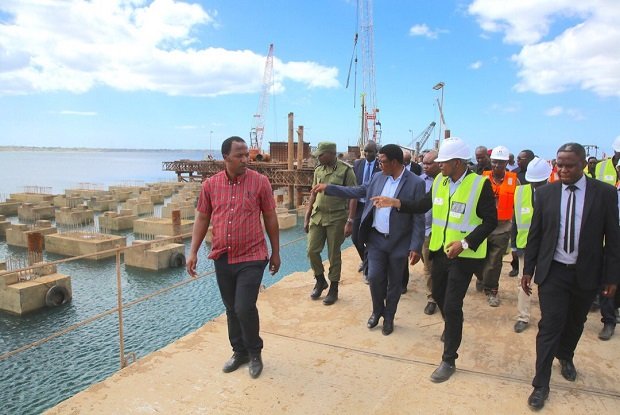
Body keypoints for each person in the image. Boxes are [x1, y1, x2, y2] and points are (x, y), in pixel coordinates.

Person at [371, 137, 497, 383]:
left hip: (464, 256)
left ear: (457, 162)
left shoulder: (479, 184)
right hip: (439, 251)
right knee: (438, 295)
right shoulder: (440, 181)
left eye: (443, 162)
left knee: (452, 304)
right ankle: (452, 324)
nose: (439, 166)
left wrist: (465, 243)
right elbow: (422, 205)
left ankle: (448, 359)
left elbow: (490, 221)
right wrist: (396, 202)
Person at [523, 142, 620, 410]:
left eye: (570, 165)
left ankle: (565, 355)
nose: (563, 170)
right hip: (553, 271)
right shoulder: (545, 194)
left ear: (583, 165)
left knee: (576, 322)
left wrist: (612, 277)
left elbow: (613, 239)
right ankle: (540, 384)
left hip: (586, 272)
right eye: (559, 165)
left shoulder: (604, 193)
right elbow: (535, 234)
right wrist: (528, 269)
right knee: (550, 325)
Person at [186, 136, 281, 379]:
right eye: (239, 155)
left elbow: (270, 217)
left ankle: (255, 352)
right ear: (225, 157)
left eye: (246, 154)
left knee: (244, 306)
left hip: (252, 255)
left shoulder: (260, 182)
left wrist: (276, 252)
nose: (245, 159)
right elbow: (202, 218)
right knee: (231, 308)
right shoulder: (210, 185)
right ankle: (239, 352)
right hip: (223, 256)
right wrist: (193, 251)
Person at [313, 144, 425, 335]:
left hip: (399, 242)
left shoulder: (415, 183)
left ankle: (389, 317)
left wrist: (416, 246)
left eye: (383, 161)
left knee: (395, 283)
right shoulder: (377, 177)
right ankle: (377, 311)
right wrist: (329, 188)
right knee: (374, 277)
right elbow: (357, 191)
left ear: (394, 162)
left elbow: (418, 216)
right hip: (376, 239)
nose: (379, 165)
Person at [305, 142, 357, 305]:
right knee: (312, 250)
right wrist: (307, 216)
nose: (318, 158)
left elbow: (353, 196)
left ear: (330, 153)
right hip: (318, 216)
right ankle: (320, 280)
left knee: (333, 254)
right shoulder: (318, 170)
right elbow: (313, 194)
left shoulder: (346, 170)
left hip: (337, 217)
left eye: (321, 155)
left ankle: (333, 288)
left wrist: (350, 221)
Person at [512, 157, 551, 333]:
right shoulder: (520, 192)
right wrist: (514, 245)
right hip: (525, 246)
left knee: (547, 284)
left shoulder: (555, 194)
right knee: (523, 283)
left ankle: (548, 318)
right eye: (533, 182)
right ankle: (523, 317)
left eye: (539, 182)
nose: (536, 186)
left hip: (548, 248)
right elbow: (515, 220)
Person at [477, 145, 518, 306]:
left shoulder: (515, 182)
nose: (496, 165)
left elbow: (518, 205)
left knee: (495, 262)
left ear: (506, 163)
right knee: (479, 260)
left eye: (500, 162)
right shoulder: (482, 179)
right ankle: (482, 278)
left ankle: (492, 290)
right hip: (482, 226)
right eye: (494, 162)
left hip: (502, 228)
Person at [591, 137, 620, 341]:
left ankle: (612, 313)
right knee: (606, 277)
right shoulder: (601, 170)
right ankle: (608, 319)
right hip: (604, 235)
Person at [351, 141, 381, 281]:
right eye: (366, 151)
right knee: (355, 238)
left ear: (376, 152)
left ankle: (368, 269)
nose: (368, 154)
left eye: (370, 151)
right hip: (359, 206)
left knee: (369, 239)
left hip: (374, 207)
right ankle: (366, 260)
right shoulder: (358, 164)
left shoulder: (380, 166)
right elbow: (354, 185)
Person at [419, 150, 440, 314]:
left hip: (446, 232)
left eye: (429, 163)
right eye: (424, 163)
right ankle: (432, 298)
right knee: (428, 267)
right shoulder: (419, 182)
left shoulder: (448, 181)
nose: (425, 166)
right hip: (426, 231)